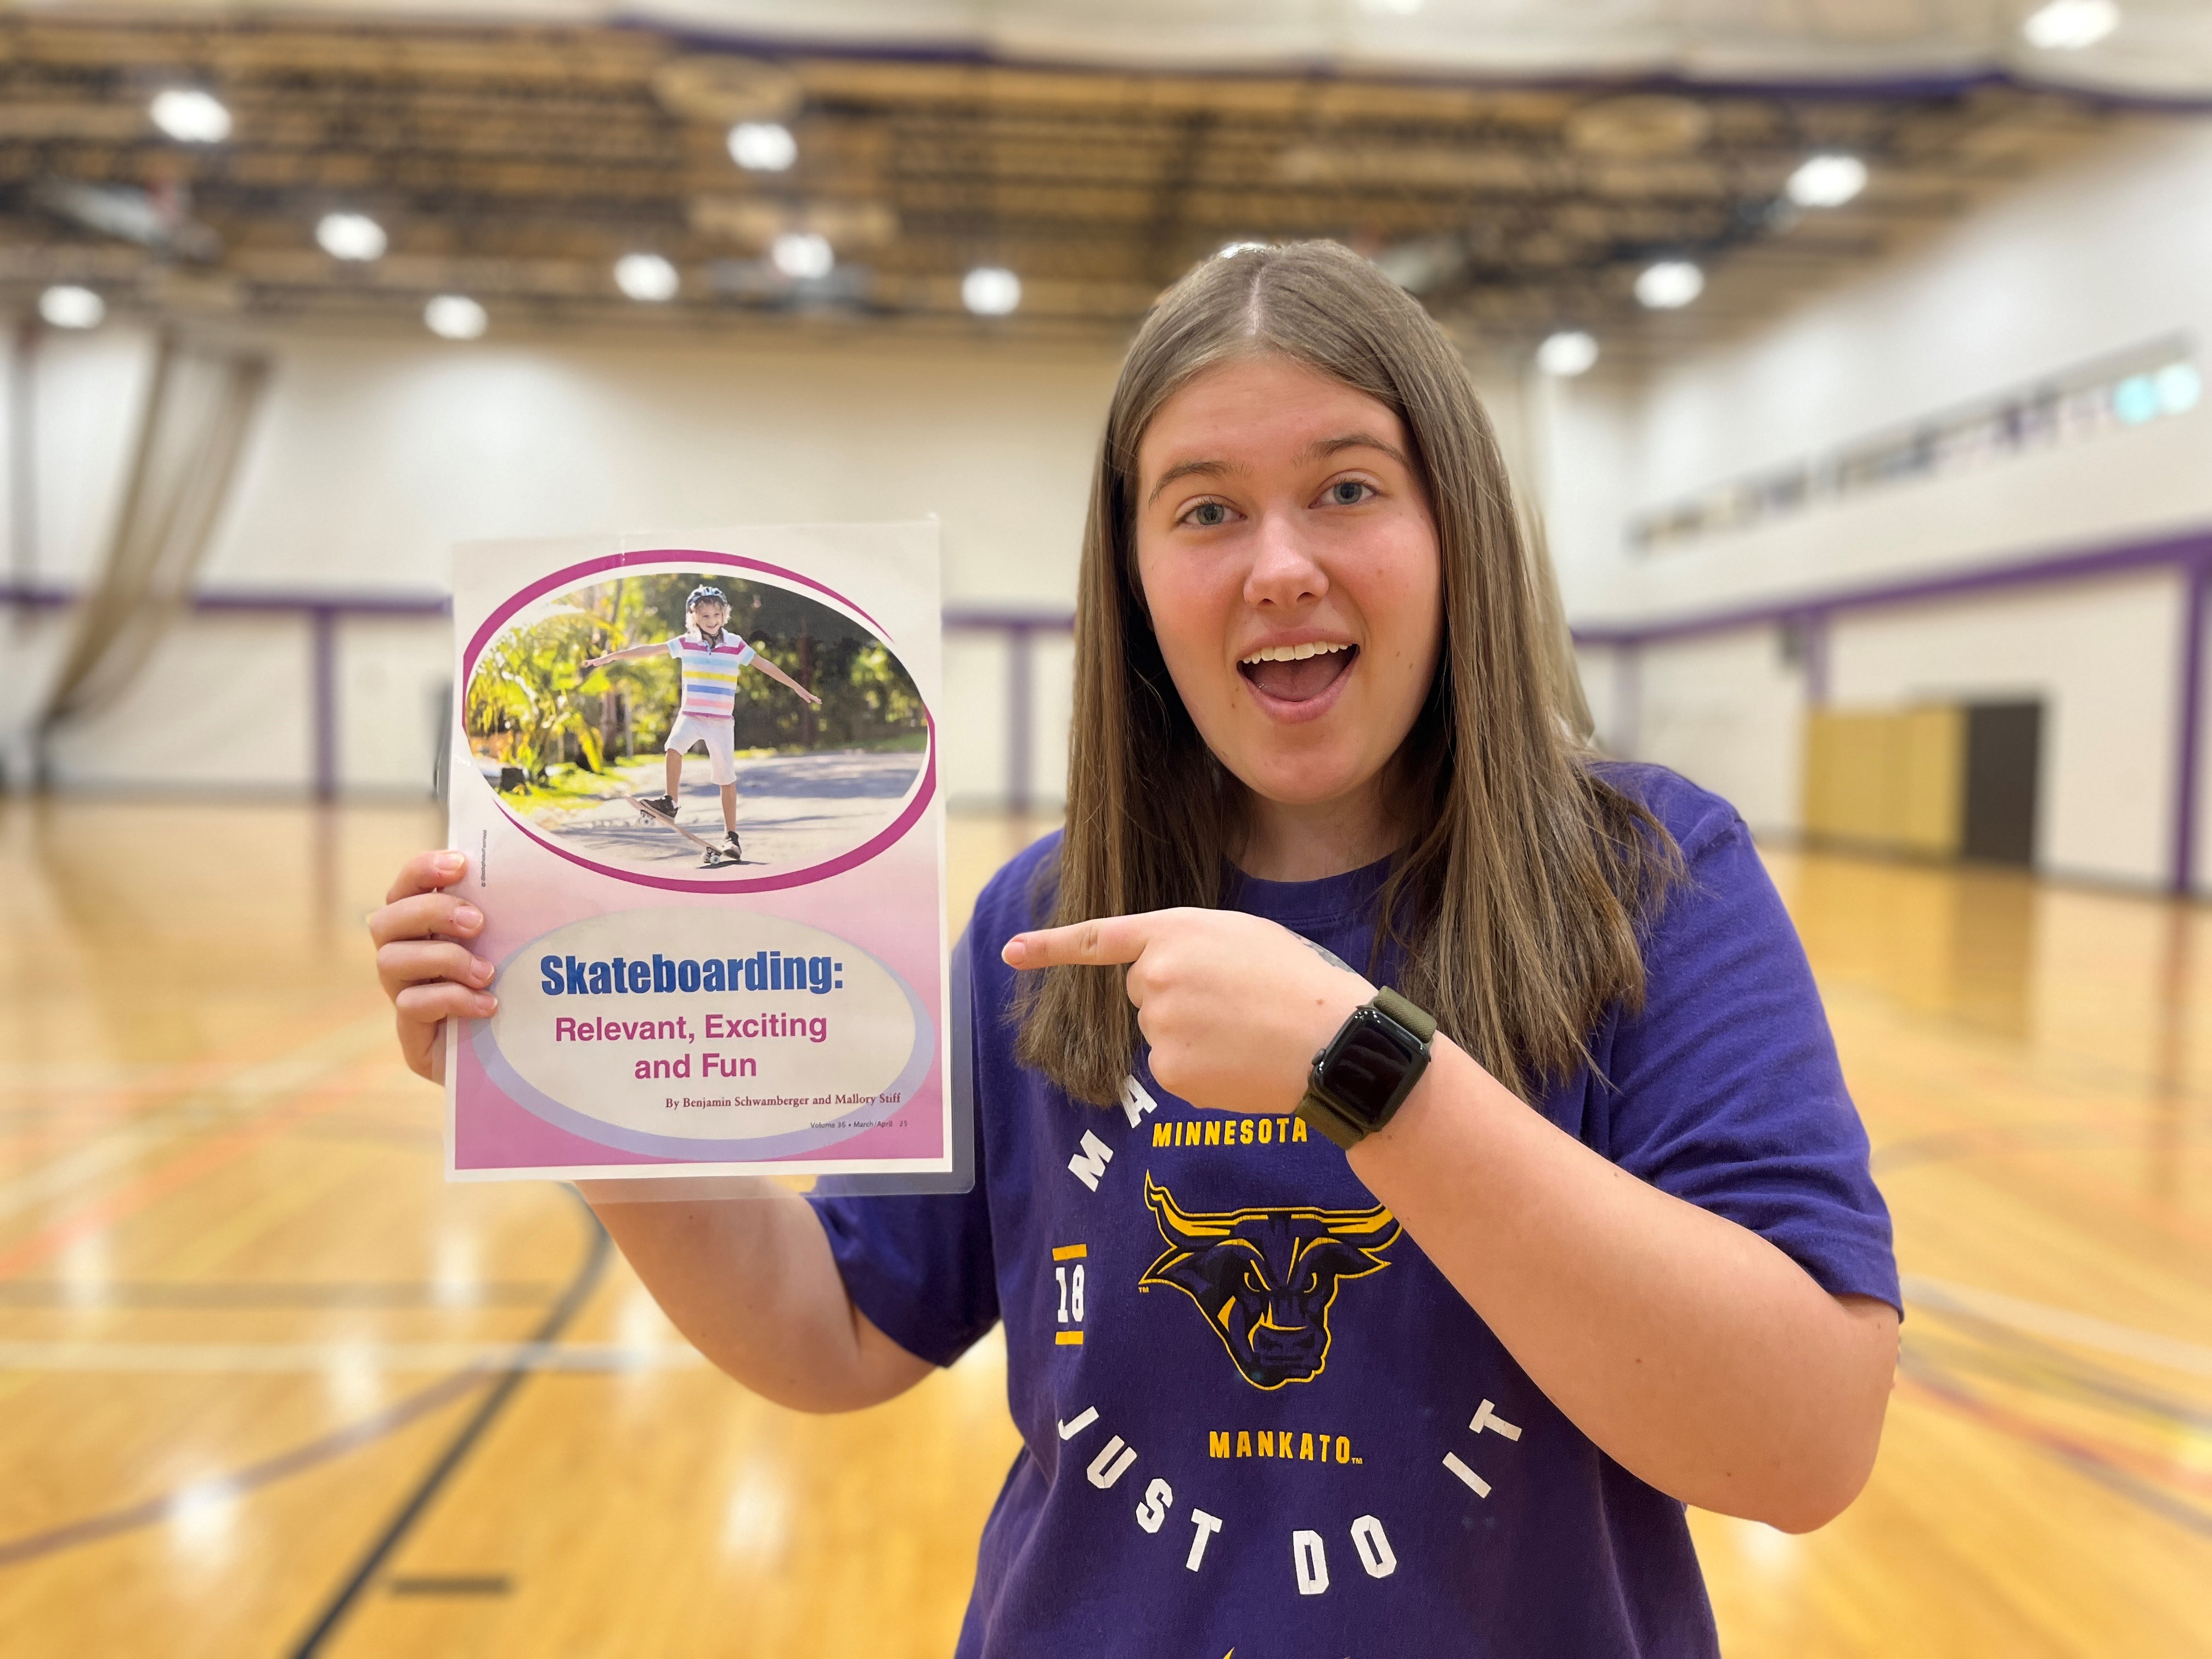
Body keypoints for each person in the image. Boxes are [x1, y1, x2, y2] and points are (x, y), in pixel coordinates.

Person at [371, 241, 1898, 1655]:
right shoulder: (1042, 929)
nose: (1279, 563)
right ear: (1137, 575)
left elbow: (1804, 1440)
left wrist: (1368, 1072)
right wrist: (577, 1071)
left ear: (1456, 532)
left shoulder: (1646, 878)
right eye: (1207, 508)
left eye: (1349, 489)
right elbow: (833, 1329)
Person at [583, 583, 820, 857]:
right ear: (694, 617)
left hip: (721, 722)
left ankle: (732, 837)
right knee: (673, 747)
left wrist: (796, 687)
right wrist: (611, 657)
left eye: (717, 616)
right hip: (691, 716)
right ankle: (670, 804)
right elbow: (649, 650)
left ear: (724, 616)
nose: (712, 621)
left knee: (725, 779)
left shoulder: (735, 645)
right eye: (705, 616)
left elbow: (764, 665)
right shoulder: (685, 643)